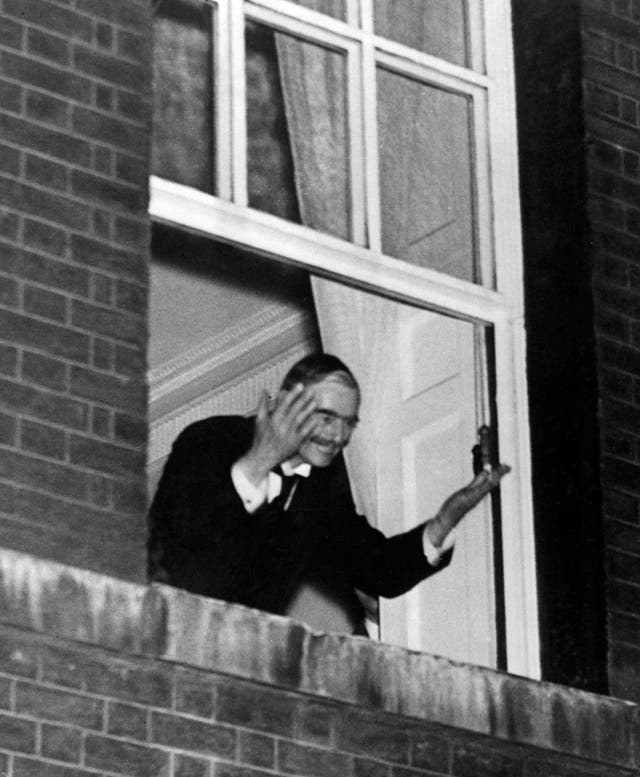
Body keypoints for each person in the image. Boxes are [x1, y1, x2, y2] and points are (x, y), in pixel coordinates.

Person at [147, 353, 509, 634]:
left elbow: (381, 569)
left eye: (349, 423)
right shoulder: (211, 439)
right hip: (165, 634)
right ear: (287, 403)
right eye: (327, 417)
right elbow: (187, 525)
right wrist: (262, 459)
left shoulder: (323, 486)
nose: (339, 436)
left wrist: (448, 516)